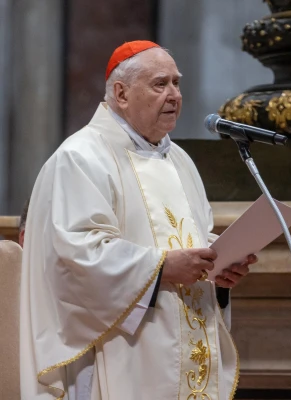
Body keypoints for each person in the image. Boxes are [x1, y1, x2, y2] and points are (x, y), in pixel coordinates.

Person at [20, 40, 257, 400]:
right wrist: (162, 268)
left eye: (177, 83)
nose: (174, 94)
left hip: (183, 350)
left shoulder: (180, 161)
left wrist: (219, 272)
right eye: (160, 84)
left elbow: (200, 238)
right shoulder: (81, 158)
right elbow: (76, 258)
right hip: (119, 353)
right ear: (121, 93)